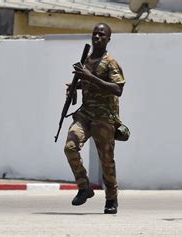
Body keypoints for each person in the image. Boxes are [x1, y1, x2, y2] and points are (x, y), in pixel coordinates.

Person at [65, 23, 125, 214]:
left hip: (104, 118)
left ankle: (111, 199)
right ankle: (84, 187)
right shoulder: (87, 60)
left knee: (106, 160)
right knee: (70, 147)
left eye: (101, 34)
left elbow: (118, 89)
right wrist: (75, 86)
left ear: (108, 39)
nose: (97, 37)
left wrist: (90, 78)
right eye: (94, 34)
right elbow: (87, 82)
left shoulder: (110, 62)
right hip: (86, 114)